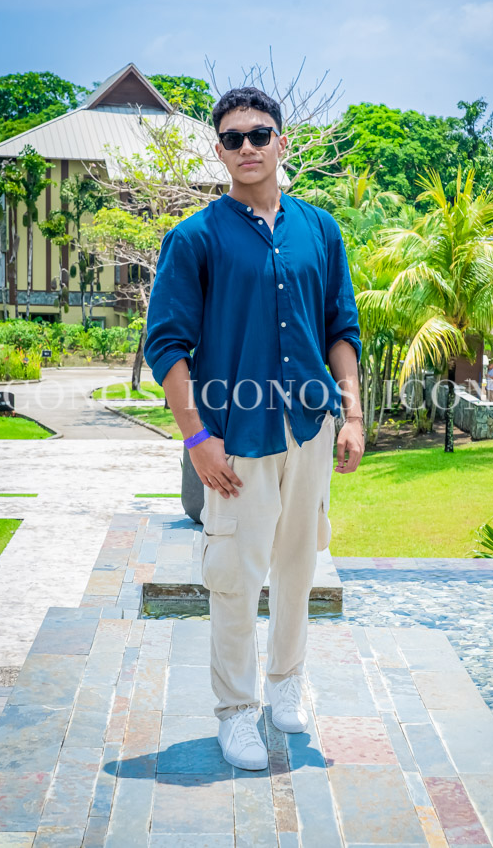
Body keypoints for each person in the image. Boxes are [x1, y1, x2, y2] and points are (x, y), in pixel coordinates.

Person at [144, 86, 364, 772]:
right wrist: (196, 438)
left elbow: (341, 330)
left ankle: (286, 682)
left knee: (299, 566)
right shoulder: (195, 238)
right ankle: (236, 711)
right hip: (235, 437)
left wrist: (352, 414)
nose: (247, 147)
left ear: (281, 142)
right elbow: (166, 346)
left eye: (259, 134)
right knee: (234, 577)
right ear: (219, 151)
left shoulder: (321, 231)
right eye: (233, 138)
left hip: (310, 428)